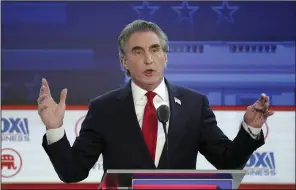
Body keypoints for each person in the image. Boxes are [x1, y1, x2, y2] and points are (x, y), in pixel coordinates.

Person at [38, 20, 274, 183]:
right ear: (124, 62)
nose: (148, 59)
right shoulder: (104, 108)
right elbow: (73, 172)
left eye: (155, 50)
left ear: (165, 57)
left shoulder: (194, 104)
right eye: (138, 52)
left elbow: (227, 162)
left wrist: (250, 128)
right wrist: (55, 128)